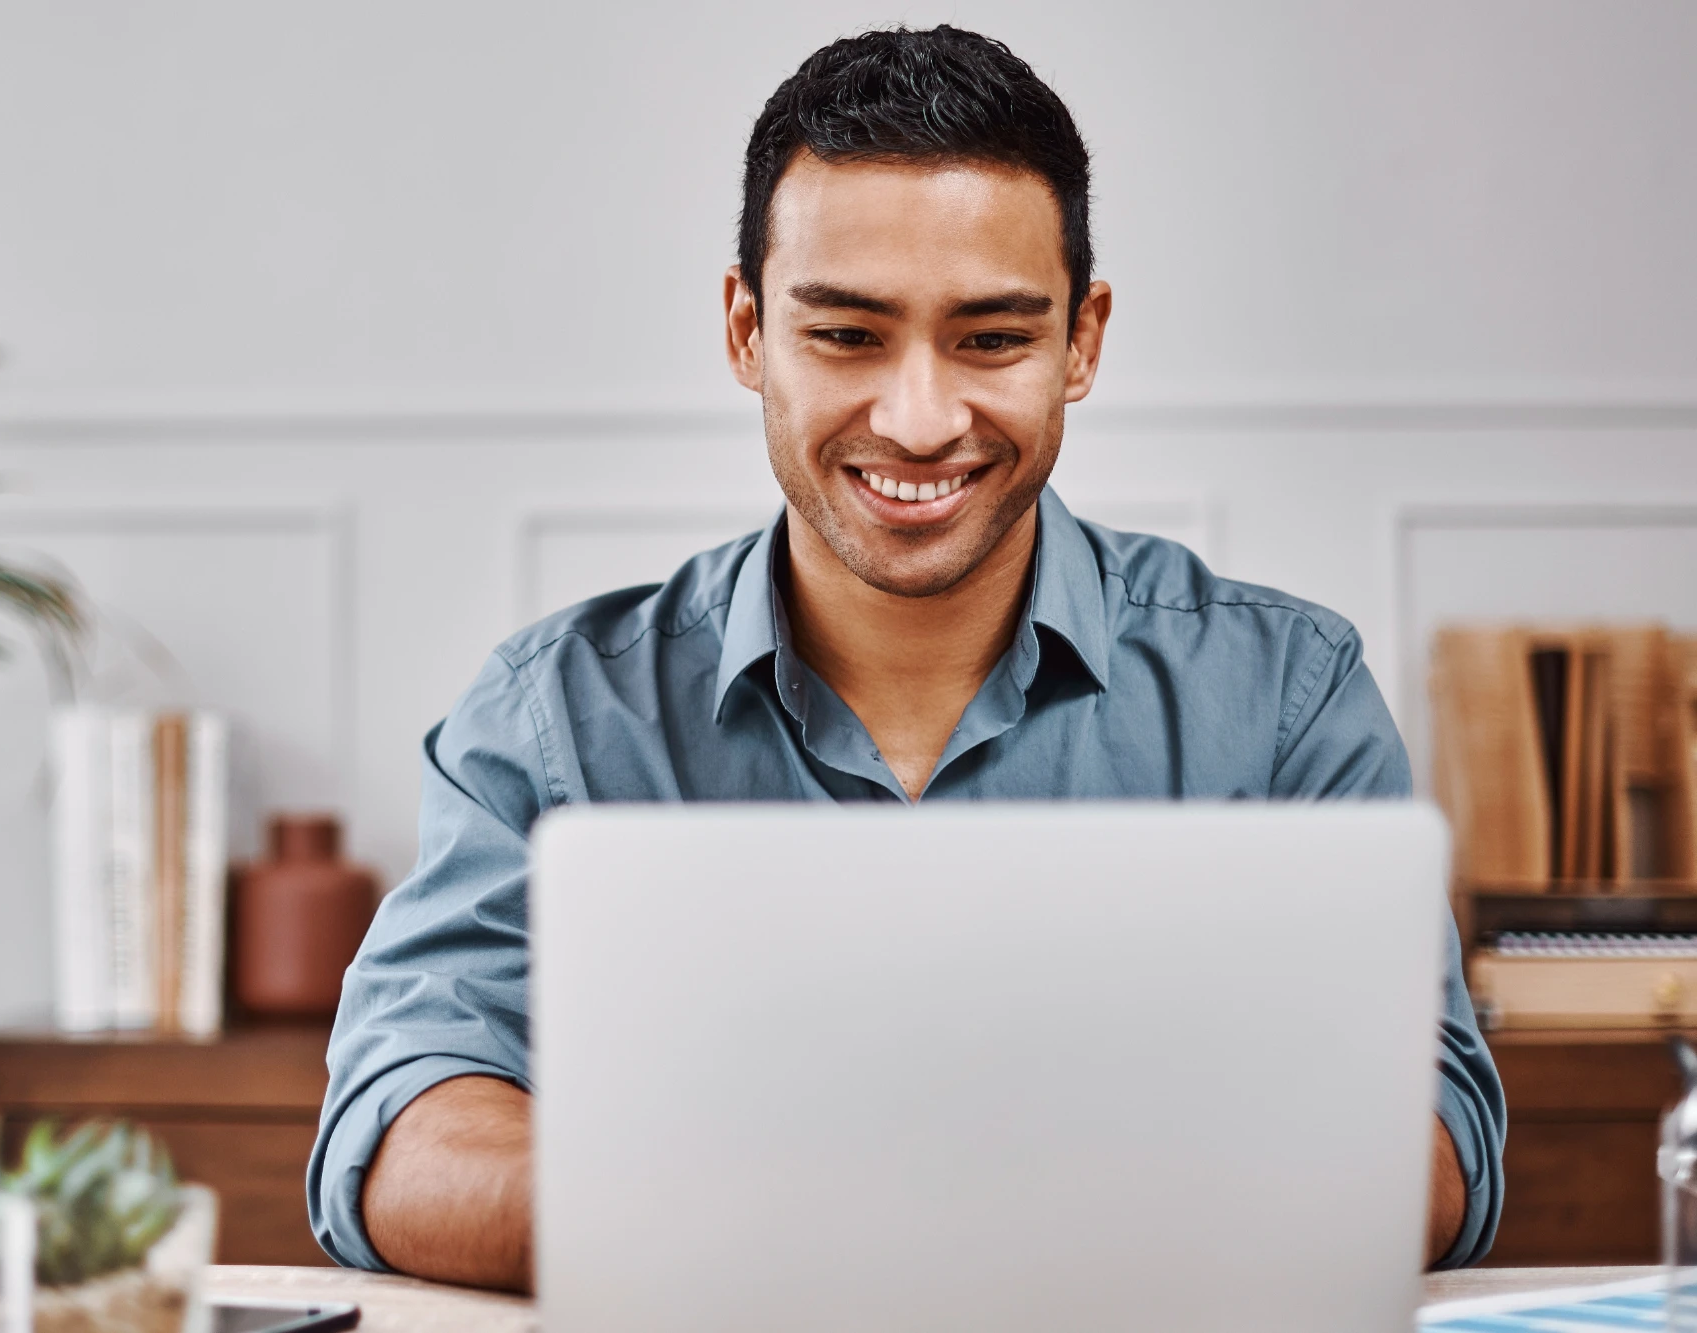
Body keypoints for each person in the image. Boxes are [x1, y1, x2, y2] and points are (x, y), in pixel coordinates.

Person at [307, 25, 1505, 1292]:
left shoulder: (1282, 699)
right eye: (845, 336)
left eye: (990, 339)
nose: (919, 420)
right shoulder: (552, 714)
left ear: (1080, 342)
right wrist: (813, 1222)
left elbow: (1431, 1144)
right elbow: (403, 1127)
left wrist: (929, 1214)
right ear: (745, 329)